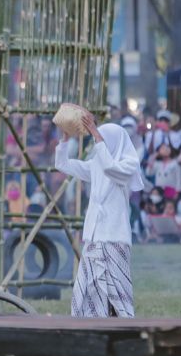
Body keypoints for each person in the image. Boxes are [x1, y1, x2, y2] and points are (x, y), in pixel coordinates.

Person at [54, 110, 143, 317]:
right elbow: (63, 165)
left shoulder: (128, 164)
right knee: (88, 288)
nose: (97, 143)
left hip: (114, 237)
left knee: (117, 290)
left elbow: (112, 169)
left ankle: (121, 322)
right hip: (94, 236)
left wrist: (96, 135)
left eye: (101, 139)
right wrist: (65, 141)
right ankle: (89, 322)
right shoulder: (97, 165)